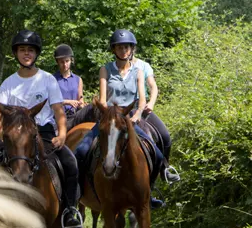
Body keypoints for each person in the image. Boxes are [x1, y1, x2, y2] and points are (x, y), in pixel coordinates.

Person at [0, 30, 84, 228]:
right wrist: (4, 138)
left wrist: (63, 134)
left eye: (30, 50)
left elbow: (59, 112)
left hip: (44, 132)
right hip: (14, 137)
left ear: (36, 54)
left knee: (70, 163)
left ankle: (69, 210)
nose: (26, 54)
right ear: (16, 53)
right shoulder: (9, 83)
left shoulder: (48, 80)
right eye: (22, 50)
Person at [75, 29, 179, 203]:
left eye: (126, 47)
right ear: (113, 49)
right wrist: (108, 113)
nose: (123, 50)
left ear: (131, 49)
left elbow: (142, 98)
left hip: (131, 115)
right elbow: (102, 98)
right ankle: (78, 194)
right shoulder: (105, 69)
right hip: (110, 114)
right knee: (81, 150)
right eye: (119, 47)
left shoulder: (139, 71)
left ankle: (153, 186)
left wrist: (137, 115)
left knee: (157, 151)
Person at [52, 44, 84, 119]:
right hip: (58, 117)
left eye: (67, 61)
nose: (65, 64)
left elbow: (80, 97)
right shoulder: (52, 79)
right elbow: (51, 100)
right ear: (57, 62)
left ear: (71, 61)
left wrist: (81, 104)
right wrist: (68, 102)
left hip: (75, 116)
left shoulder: (78, 79)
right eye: (62, 62)